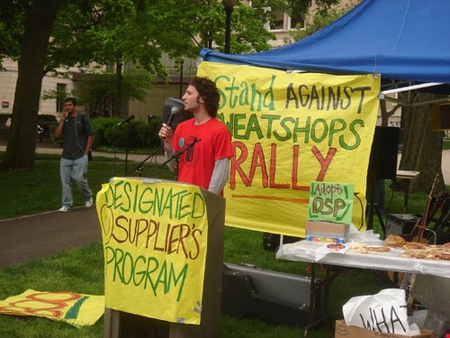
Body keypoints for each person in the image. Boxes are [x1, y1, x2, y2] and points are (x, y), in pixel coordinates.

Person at [158, 76, 233, 194]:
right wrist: (168, 143)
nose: (183, 97)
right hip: (182, 200)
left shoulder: (220, 131)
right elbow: (174, 168)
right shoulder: (182, 127)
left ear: (202, 98)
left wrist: (206, 200)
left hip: (204, 203)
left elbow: (221, 174)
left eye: (189, 93)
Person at [54, 97, 94, 212]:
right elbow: (57, 135)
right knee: (65, 181)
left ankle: (87, 196)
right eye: (66, 105)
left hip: (80, 155)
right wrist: (61, 120)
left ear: (75, 107)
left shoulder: (82, 118)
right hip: (66, 156)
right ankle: (66, 203)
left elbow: (91, 135)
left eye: (70, 105)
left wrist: (86, 152)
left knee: (78, 178)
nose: (67, 107)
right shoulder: (65, 120)